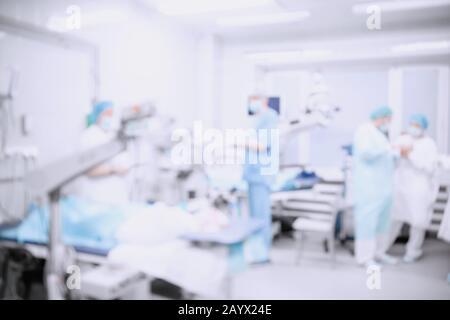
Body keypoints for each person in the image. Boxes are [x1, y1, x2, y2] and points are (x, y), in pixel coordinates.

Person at [386, 114, 439, 262]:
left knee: (417, 222)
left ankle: (413, 251)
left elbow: (429, 167)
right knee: (394, 218)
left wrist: (410, 155)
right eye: (412, 124)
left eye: (417, 125)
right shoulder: (402, 139)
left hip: (419, 188)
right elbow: (391, 158)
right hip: (400, 186)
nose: (413, 128)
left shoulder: (429, 144)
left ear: (423, 127)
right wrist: (396, 152)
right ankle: (382, 248)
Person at [352, 106, 398, 267]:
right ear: (382, 117)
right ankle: (365, 257)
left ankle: (379, 252)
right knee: (368, 222)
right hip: (369, 187)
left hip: (383, 187)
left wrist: (395, 152)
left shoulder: (380, 134)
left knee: (383, 222)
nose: (389, 122)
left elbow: (386, 157)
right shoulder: (365, 130)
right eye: (389, 119)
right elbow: (366, 152)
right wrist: (388, 148)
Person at [68, 101, 132, 205]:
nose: (110, 117)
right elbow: (86, 169)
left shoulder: (111, 136)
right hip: (97, 198)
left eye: (111, 114)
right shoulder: (89, 136)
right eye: (106, 114)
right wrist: (113, 169)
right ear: (97, 115)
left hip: (116, 199)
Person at [242, 96, 279, 264]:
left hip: (260, 175)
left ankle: (261, 253)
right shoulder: (260, 119)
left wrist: (240, 142)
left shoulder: (269, 117)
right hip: (254, 174)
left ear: (263, 101)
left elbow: (263, 145)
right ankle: (256, 251)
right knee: (255, 216)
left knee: (260, 217)